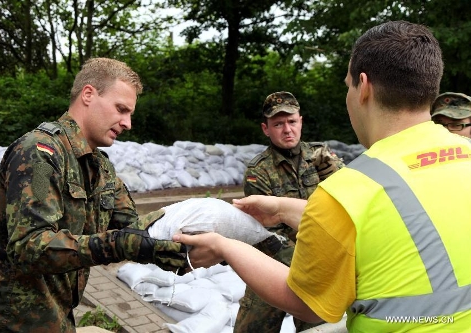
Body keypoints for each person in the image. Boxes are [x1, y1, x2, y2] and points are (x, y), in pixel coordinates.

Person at [173, 20, 471, 332]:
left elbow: (307, 303)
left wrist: (225, 246)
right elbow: (385, 217)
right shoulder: (463, 153)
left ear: (364, 87)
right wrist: (281, 208)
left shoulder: (348, 190)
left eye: (348, 86)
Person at [0, 58, 187, 332]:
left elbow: (135, 228)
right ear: (88, 94)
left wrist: (189, 242)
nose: (127, 123)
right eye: (121, 109)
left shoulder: (100, 168)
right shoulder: (39, 156)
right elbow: (31, 246)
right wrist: (118, 245)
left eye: (130, 113)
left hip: (58, 319)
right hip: (9, 324)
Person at [236, 91, 344, 333]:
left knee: (319, 330)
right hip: (273, 266)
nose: (287, 129)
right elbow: (266, 234)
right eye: (278, 124)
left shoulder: (322, 158)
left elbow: (347, 205)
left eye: (292, 122)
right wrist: (305, 266)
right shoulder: (258, 171)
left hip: (318, 273)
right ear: (266, 129)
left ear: (301, 122)